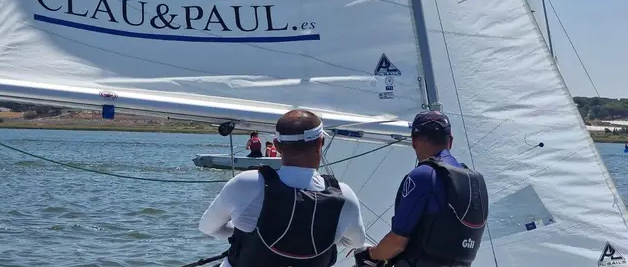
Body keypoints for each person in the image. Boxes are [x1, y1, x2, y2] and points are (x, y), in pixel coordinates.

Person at [199, 109, 366, 267]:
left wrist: (243, 233)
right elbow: (357, 242)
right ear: (320, 143)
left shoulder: (246, 183)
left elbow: (208, 227)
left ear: (277, 145)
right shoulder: (343, 195)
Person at [355, 111, 489, 267]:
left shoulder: (423, 175)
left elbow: (397, 242)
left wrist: (369, 254)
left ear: (414, 141)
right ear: (450, 141)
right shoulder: (477, 181)